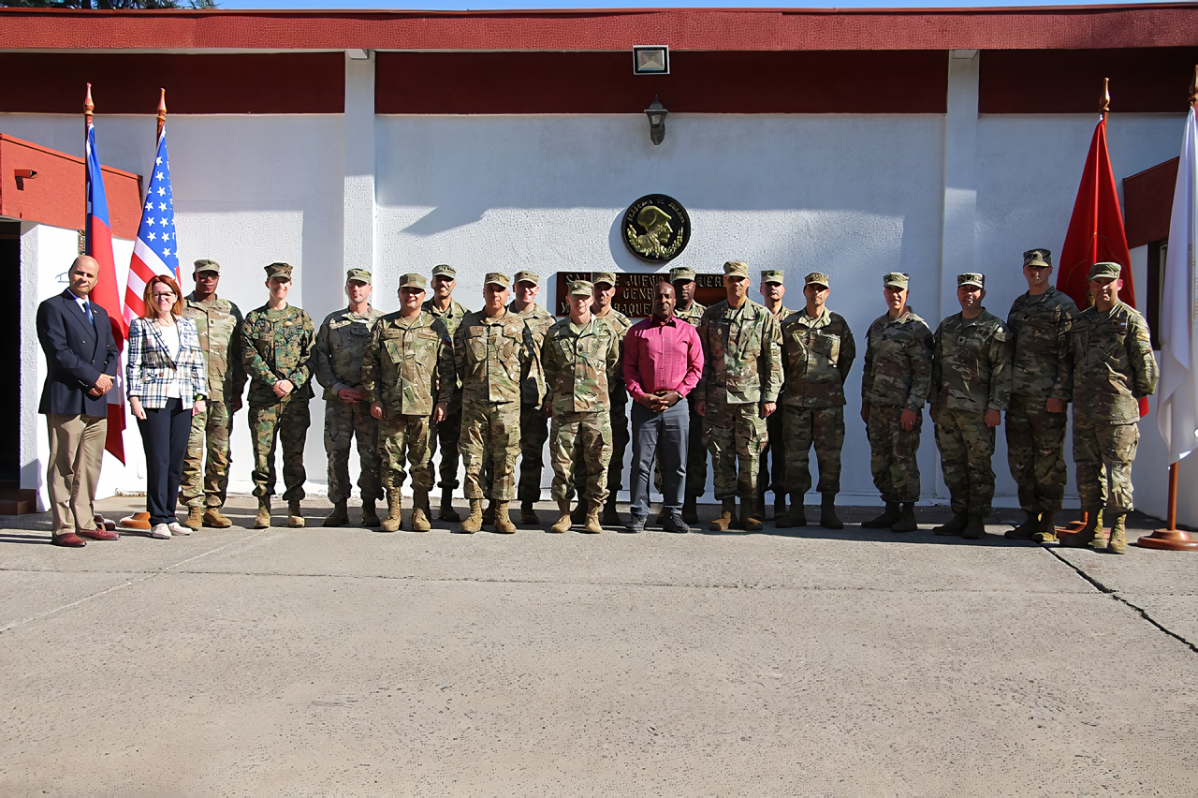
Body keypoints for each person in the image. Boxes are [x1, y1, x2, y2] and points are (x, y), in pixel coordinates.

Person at [1063, 262, 1158, 554]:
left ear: (1118, 284)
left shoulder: (1131, 319)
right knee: (1087, 472)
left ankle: (1118, 529)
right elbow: (1069, 362)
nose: (1103, 287)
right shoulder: (1080, 321)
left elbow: (1146, 366)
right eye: (1097, 282)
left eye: (1109, 282)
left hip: (1117, 411)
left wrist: (1132, 395)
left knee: (1117, 472)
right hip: (1084, 410)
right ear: (1090, 286)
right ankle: (1093, 528)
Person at [35, 255, 121, 547]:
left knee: (89, 465)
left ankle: (85, 521)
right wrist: (94, 378)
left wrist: (106, 378)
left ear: (96, 280)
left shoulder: (98, 312)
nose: (83, 279)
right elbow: (59, 353)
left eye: (90, 275)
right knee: (63, 465)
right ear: (69, 274)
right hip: (68, 397)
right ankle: (62, 527)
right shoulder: (52, 307)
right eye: (79, 273)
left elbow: (112, 351)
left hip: (96, 400)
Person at [362, 273, 454, 532]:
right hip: (391, 408)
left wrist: (444, 401)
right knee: (391, 461)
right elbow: (370, 366)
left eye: (416, 291)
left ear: (424, 295)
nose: (411, 295)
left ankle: (420, 511)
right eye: (406, 290)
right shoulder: (383, 325)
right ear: (399, 293)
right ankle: (393, 512)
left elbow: (447, 369)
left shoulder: (436, 326)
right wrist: (375, 398)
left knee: (422, 462)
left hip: (424, 408)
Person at [695, 261, 783, 532]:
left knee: (750, 457)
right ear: (725, 282)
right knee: (720, 456)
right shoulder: (712, 315)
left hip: (750, 401)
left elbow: (773, 359)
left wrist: (770, 395)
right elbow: (703, 359)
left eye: (740, 279)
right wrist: (701, 394)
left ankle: (750, 511)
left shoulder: (761, 316)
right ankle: (726, 512)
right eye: (731, 279)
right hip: (718, 400)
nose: (735, 284)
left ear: (747, 283)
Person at [929, 273, 1012, 540]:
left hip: (978, 412)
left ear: (983, 294)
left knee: (979, 466)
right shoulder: (948, 326)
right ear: (958, 293)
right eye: (964, 289)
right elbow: (935, 366)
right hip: (947, 409)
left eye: (974, 290)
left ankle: (976, 518)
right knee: (952, 465)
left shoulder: (995, 328)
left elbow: (1002, 371)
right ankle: (959, 515)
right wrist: (933, 401)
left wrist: (995, 407)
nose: (969, 294)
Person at [126, 274, 209, 540]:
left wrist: (201, 395)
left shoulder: (185, 325)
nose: (163, 299)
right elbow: (134, 364)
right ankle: (158, 518)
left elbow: (196, 362)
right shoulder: (141, 325)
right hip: (153, 398)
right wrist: (134, 397)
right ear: (150, 298)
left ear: (176, 298)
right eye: (157, 294)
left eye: (168, 294)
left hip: (183, 398)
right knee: (158, 459)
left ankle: (171, 516)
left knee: (176, 460)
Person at [1003, 249, 1077, 543]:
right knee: (1020, 460)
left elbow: (1069, 355)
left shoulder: (1063, 305)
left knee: (1048, 461)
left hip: (1047, 399)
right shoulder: (1019, 304)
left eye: (1041, 268)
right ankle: (1030, 517)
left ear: (1050, 270)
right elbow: (1010, 350)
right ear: (1024, 270)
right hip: (1018, 397)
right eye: (1031, 268)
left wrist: (1059, 393)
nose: (1036, 272)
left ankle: (1048, 520)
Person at [776, 272, 856, 530]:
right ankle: (796, 510)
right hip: (796, 405)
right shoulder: (789, 324)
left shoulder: (838, 323)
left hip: (828, 407)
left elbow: (847, 358)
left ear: (828, 293)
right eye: (812, 288)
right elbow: (780, 362)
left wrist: (830, 384)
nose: (816, 293)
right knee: (795, 459)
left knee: (829, 459)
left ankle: (828, 511)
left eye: (821, 289)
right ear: (804, 292)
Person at [542, 280, 621, 534]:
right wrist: (554, 395)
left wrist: (595, 390)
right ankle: (564, 513)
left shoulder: (606, 331)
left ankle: (592, 514)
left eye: (584, 297)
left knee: (598, 463)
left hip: (596, 411)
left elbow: (613, 364)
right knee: (562, 465)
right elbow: (549, 367)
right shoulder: (555, 333)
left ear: (591, 300)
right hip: (564, 410)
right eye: (575, 297)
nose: (580, 301)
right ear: (568, 299)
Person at [624, 281, 703, 533]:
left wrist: (678, 394)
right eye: (659, 296)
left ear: (673, 300)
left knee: (676, 463)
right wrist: (640, 395)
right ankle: (639, 514)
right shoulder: (637, 332)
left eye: (668, 296)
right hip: (645, 406)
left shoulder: (688, 331)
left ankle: (673, 513)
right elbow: (629, 368)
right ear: (652, 299)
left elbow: (696, 368)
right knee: (641, 463)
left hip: (676, 407)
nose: (664, 300)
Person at [241, 262, 316, 529]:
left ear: (290, 285)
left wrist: (292, 383)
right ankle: (263, 507)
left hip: (295, 400)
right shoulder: (253, 319)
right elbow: (249, 356)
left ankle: (294, 505)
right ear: (267, 284)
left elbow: (311, 357)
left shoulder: (301, 318)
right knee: (263, 456)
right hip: (264, 399)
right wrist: (273, 381)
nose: (280, 286)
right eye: (275, 281)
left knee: (294, 455)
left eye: (285, 282)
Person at [860, 272, 933, 533]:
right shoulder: (878, 326)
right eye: (890, 290)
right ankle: (890, 510)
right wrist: (865, 401)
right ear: (885, 293)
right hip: (878, 407)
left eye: (900, 290)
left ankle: (908, 513)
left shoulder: (916, 328)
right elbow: (869, 367)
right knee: (880, 460)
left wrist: (912, 407)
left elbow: (924, 372)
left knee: (903, 460)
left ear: (907, 294)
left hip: (902, 409)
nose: (895, 295)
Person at [454, 272, 527, 534]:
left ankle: (502, 513)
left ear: (508, 294)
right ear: (483, 292)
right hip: (474, 404)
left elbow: (529, 364)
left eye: (500, 290)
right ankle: (475, 512)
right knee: (473, 459)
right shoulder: (468, 323)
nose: (495, 295)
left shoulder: (518, 325)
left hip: (507, 405)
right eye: (491, 290)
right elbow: (458, 362)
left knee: (505, 458)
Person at [314, 268, 384, 528]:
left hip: (368, 403)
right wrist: (336, 388)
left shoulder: (381, 321)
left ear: (370, 289)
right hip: (339, 402)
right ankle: (339, 507)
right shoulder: (332, 322)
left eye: (362, 285)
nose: (357, 289)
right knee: (336, 455)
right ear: (346, 288)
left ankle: (369, 507)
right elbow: (320, 358)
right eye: (352, 285)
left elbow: (384, 362)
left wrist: (372, 392)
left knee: (371, 456)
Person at [180, 259, 246, 530]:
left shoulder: (230, 310)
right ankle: (193, 507)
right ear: (194, 276)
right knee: (191, 451)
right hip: (191, 394)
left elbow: (240, 354)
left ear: (218, 278)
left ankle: (214, 507)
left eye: (212, 276)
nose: (207, 280)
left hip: (223, 393)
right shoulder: (180, 307)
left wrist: (238, 390)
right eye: (202, 276)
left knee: (220, 453)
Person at [576, 272, 631, 525]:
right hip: (582, 401)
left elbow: (627, 363)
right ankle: (583, 503)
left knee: (613, 453)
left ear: (613, 291)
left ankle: (608, 507)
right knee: (581, 453)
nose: (601, 293)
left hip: (612, 402)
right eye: (597, 288)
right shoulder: (580, 321)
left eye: (606, 288)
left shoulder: (622, 324)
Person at [423, 264, 471, 522]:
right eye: (439, 280)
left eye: (448, 280)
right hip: (425, 394)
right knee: (424, 451)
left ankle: (446, 503)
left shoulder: (466, 317)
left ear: (454, 284)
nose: (443, 284)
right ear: (432, 283)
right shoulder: (420, 314)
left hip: (456, 397)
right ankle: (423, 502)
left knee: (450, 451)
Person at [507, 271, 555, 524]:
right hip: (505, 397)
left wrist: (550, 397)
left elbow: (553, 362)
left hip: (534, 399)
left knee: (532, 454)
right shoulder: (500, 317)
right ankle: (498, 505)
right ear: (514, 288)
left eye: (531, 287)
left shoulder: (547, 321)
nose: (526, 290)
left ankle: (527, 505)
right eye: (522, 286)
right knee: (501, 453)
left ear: (536, 290)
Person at [756, 269, 796, 520]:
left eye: (777, 285)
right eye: (768, 285)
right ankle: (757, 501)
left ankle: (781, 501)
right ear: (760, 289)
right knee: (758, 450)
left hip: (787, 396)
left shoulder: (795, 320)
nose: (772, 289)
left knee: (783, 450)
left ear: (783, 289)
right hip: (757, 394)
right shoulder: (754, 317)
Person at [670, 265, 707, 523]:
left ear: (695, 286)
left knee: (695, 450)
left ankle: (691, 501)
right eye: (679, 283)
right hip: (670, 392)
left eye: (688, 283)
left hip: (697, 395)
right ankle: (670, 501)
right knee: (669, 450)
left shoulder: (707, 316)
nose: (684, 287)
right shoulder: (663, 314)